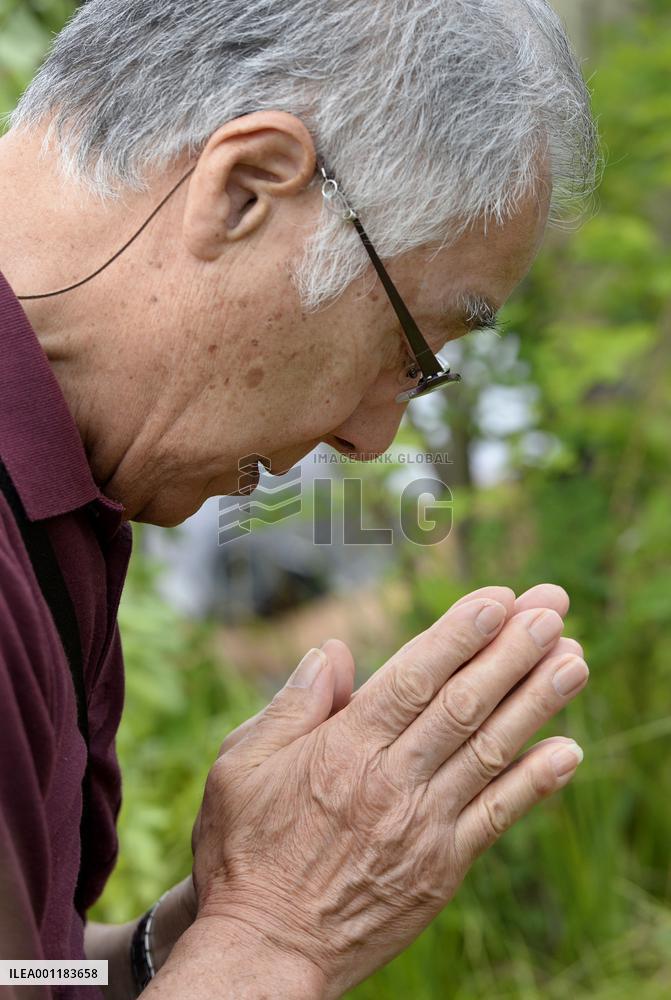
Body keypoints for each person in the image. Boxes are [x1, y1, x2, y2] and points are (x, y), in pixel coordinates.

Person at [0, 1, 599, 997]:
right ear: (243, 189)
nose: (369, 438)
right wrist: (278, 936)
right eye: (408, 351)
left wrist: (187, 940)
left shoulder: (52, 490)